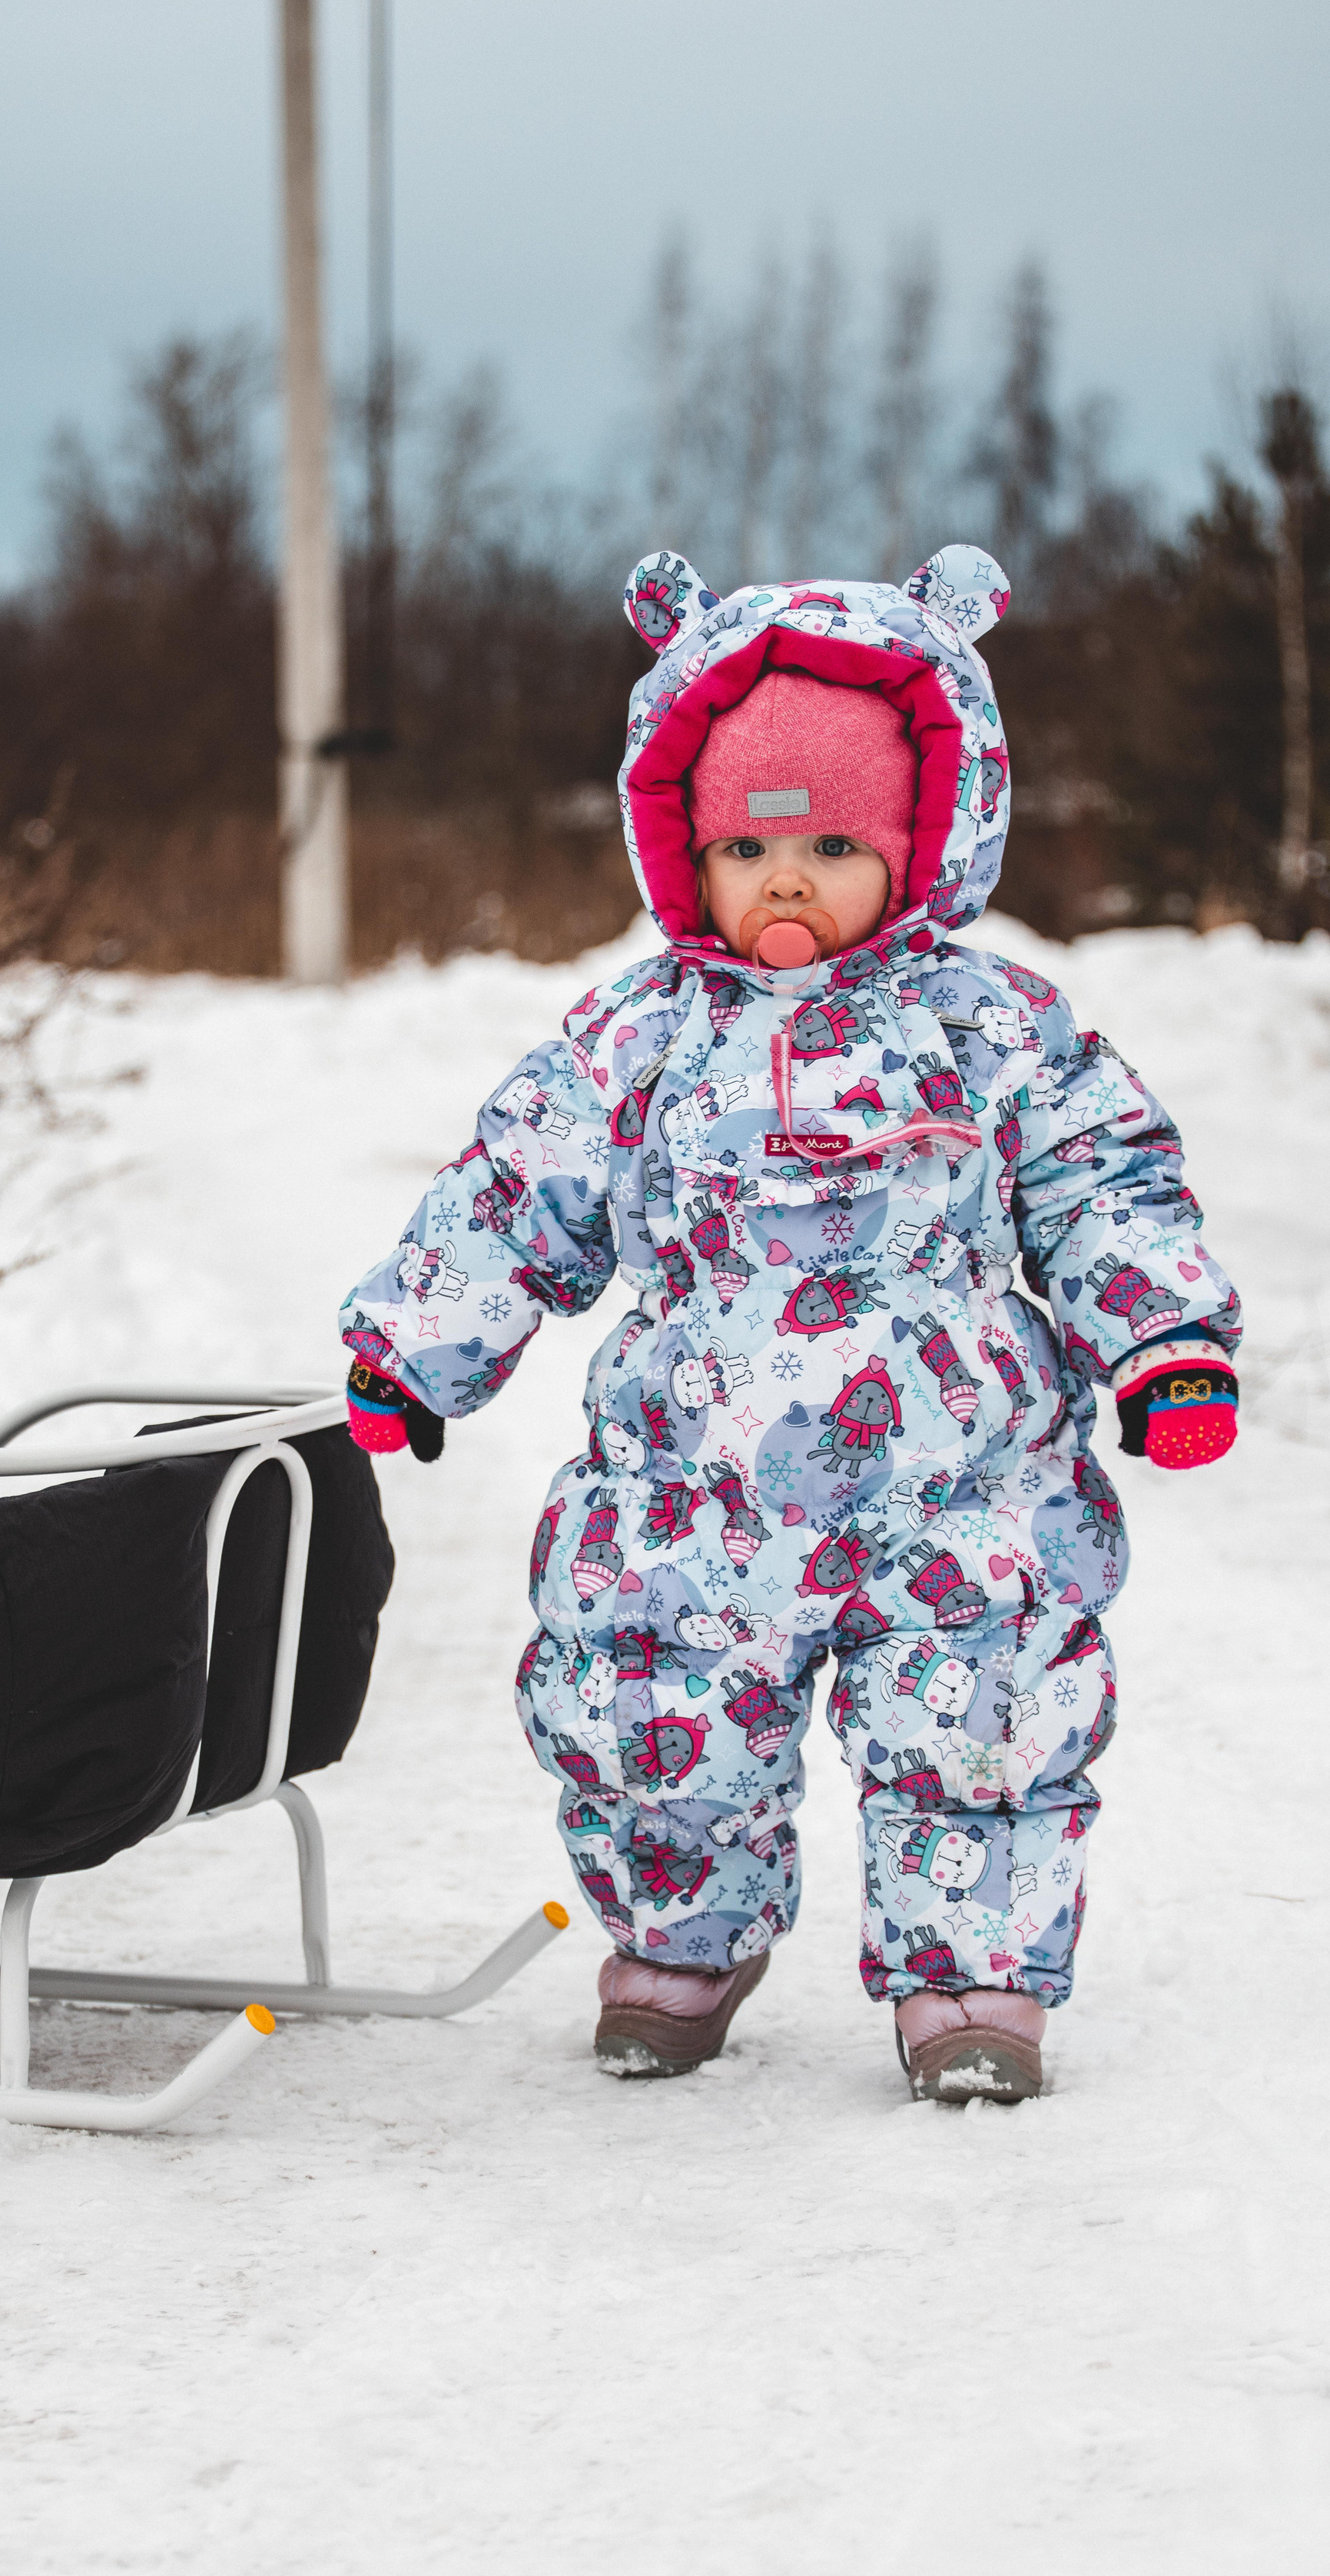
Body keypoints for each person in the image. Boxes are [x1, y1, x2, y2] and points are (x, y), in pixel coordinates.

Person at [339, 544, 1240, 2103]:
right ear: (679, 843)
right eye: (747, 844)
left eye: (830, 842)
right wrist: (417, 1344)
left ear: (921, 840)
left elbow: (1101, 1176)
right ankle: (685, 1935)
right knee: (649, 1706)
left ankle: (968, 1975)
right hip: (694, 1483)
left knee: (981, 1718)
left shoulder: (986, 1023)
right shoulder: (639, 1033)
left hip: (957, 1486)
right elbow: (517, 1182)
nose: (784, 880)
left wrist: (1158, 1338)